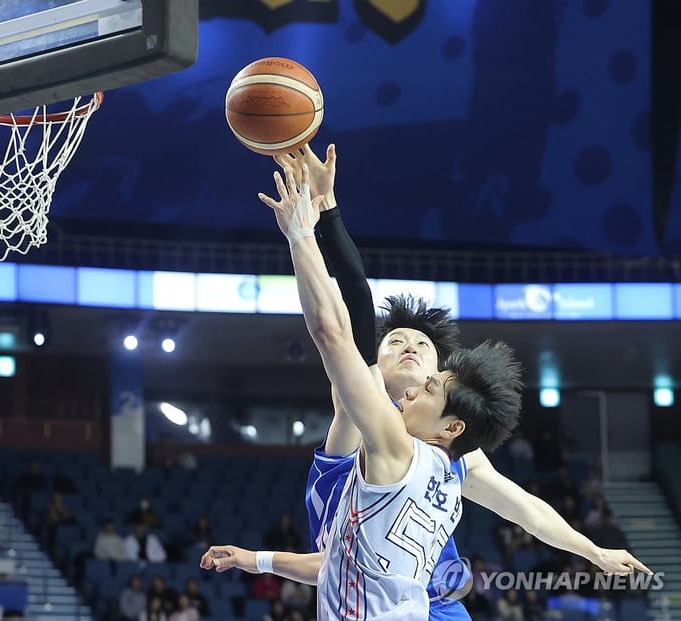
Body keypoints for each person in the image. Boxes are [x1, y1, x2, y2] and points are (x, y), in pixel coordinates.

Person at [201, 159, 651, 617]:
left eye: (424, 350)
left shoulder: (431, 448)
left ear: (451, 421)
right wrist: (328, 213)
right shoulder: (379, 422)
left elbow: (526, 510)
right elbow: (354, 307)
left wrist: (301, 234)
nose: (410, 350)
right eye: (395, 341)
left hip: (423, 600)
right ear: (376, 363)